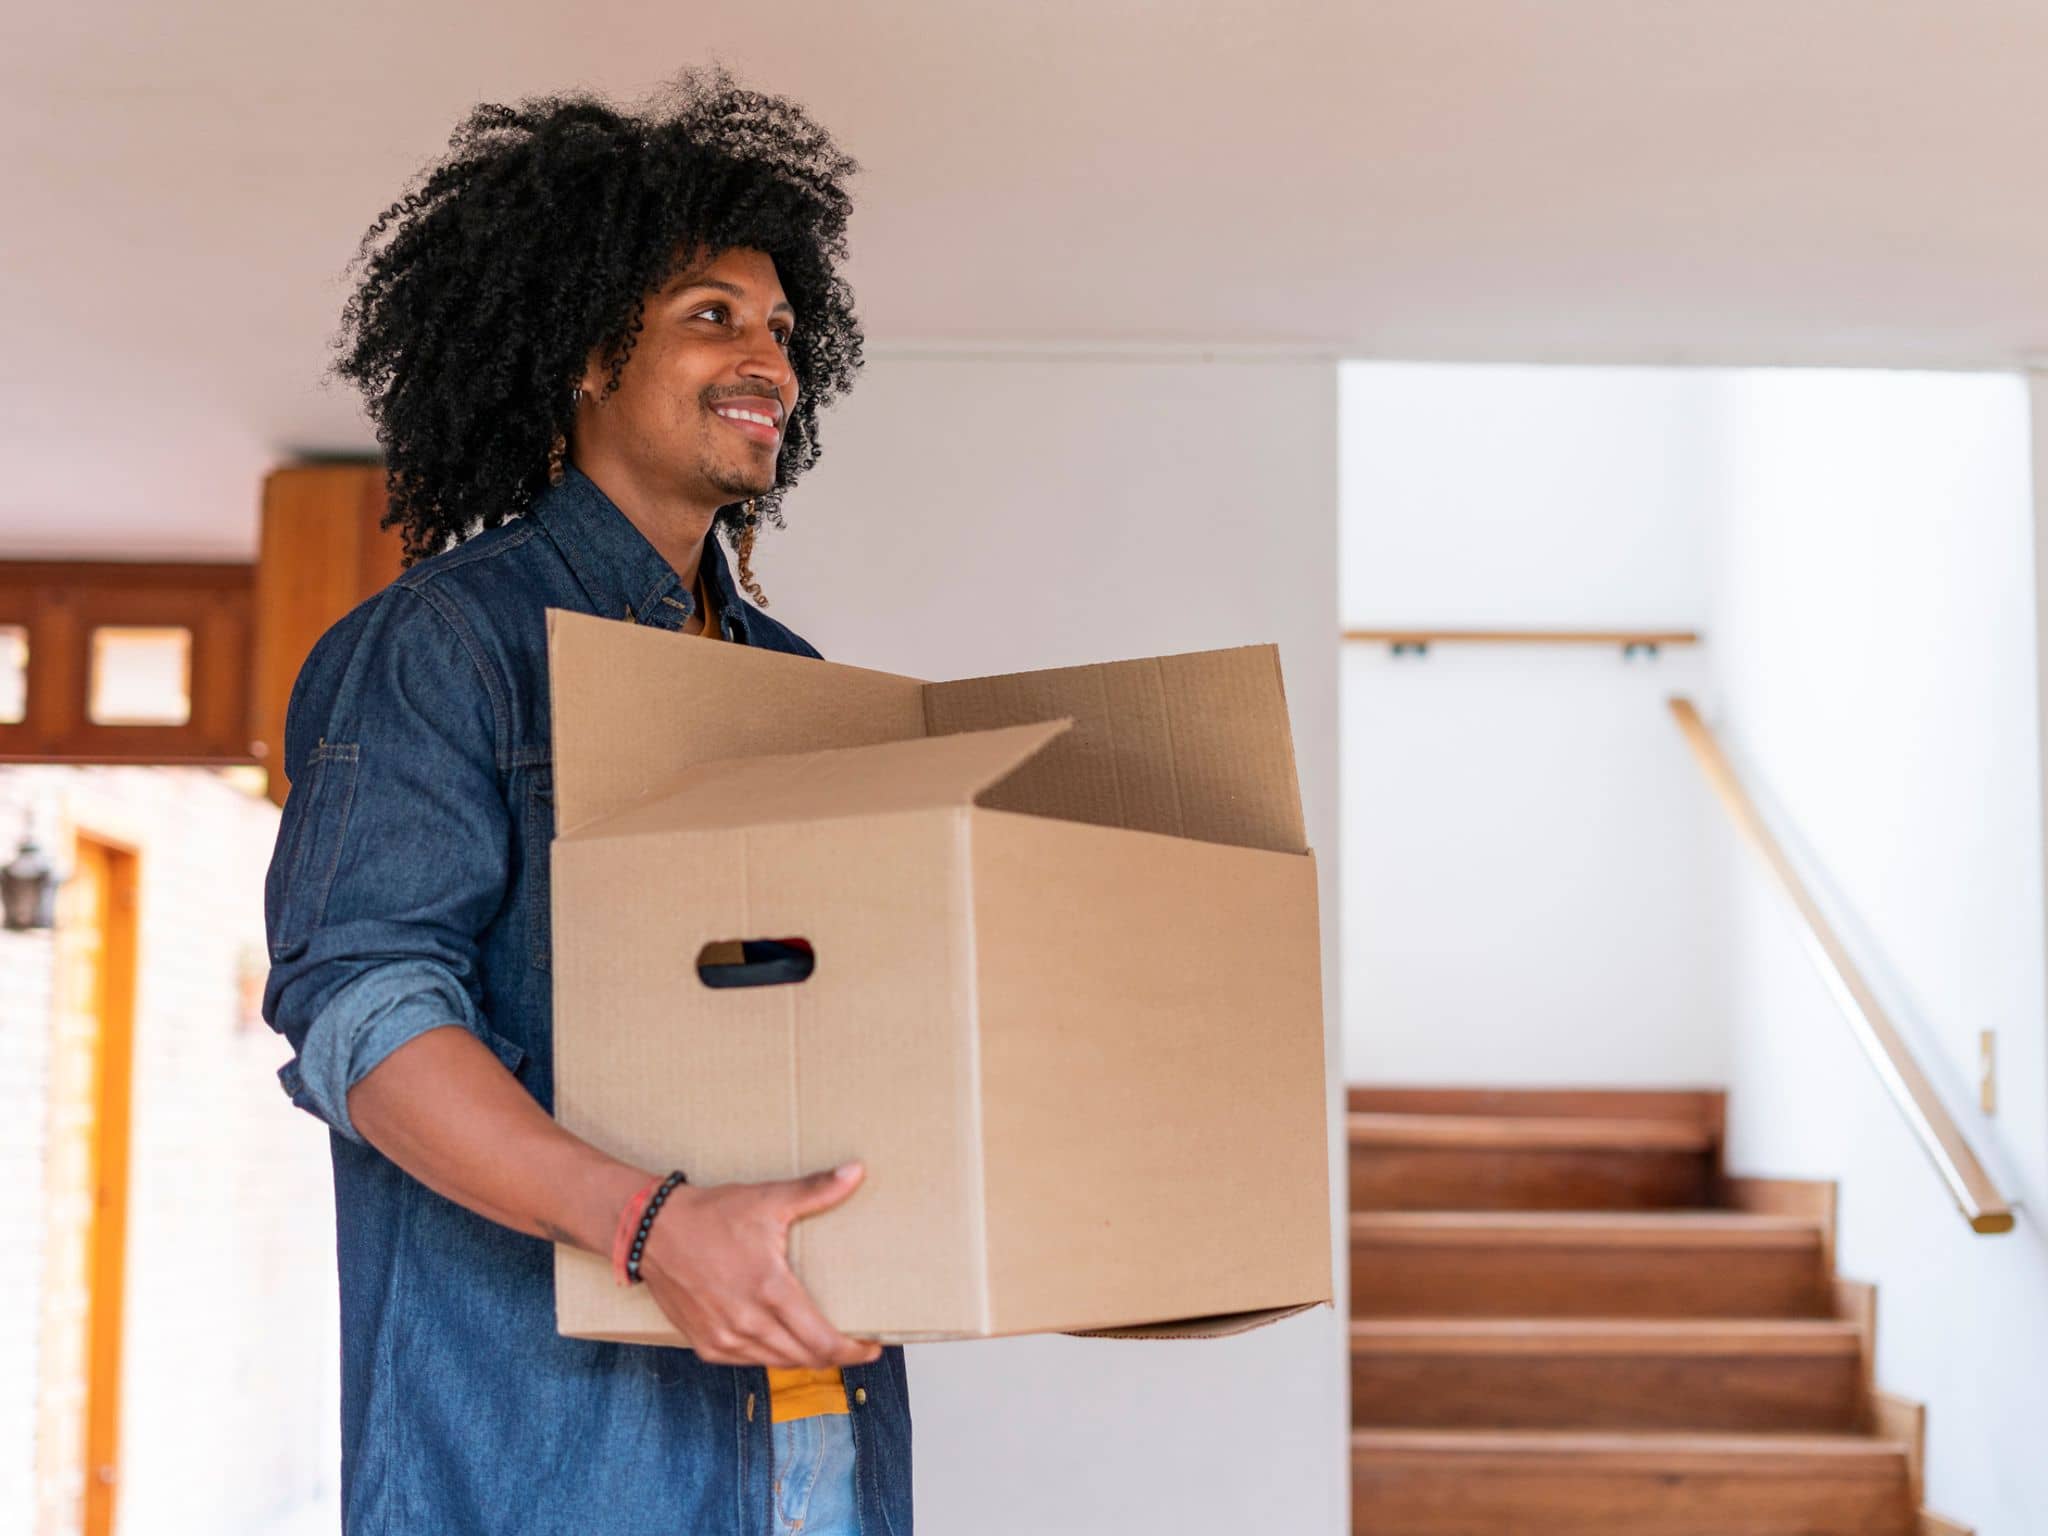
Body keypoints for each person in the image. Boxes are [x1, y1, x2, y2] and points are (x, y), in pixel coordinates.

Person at [262, 68, 911, 1536]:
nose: (771, 361)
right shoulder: (447, 647)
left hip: (816, 1455)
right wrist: (650, 1229)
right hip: (559, 1465)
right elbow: (365, 1013)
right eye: (712, 314)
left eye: (782, 327)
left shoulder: (788, 678)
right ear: (581, 352)